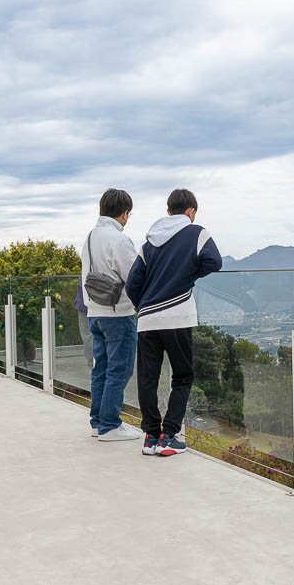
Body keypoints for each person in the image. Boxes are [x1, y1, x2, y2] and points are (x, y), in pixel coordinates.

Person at [125, 189, 222, 456]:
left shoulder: (149, 242)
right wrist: (188, 276)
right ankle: (169, 437)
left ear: (169, 211)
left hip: (147, 319)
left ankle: (150, 438)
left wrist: (142, 306)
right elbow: (215, 261)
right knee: (182, 375)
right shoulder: (197, 233)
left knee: (147, 379)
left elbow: (133, 284)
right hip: (178, 315)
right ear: (191, 211)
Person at [81, 188, 140, 441]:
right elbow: (134, 277)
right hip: (118, 313)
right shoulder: (119, 240)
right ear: (124, 214)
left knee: (101, 368)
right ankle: (110, 425)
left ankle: (97, 422)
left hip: (94, 311)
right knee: (120, 369)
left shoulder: (91, 236)